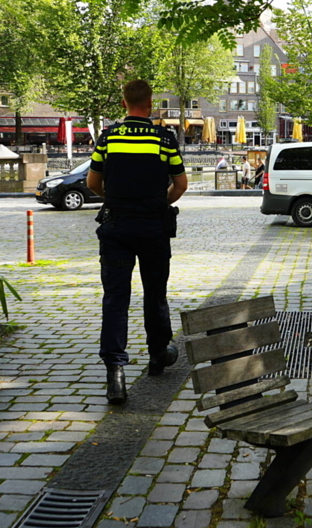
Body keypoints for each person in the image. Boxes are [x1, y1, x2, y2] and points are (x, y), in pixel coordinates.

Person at [87, 80, 188, 405]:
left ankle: (115, 374)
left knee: (115, 299)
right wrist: (158, 203)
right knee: (155, 293)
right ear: (151, 103)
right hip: (153, 228)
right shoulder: (164, 139)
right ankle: (158, 353)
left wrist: (115, 198)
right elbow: (181, 184)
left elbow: (93, 181)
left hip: (116, 226)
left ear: (124, 103)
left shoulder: (109, 137)